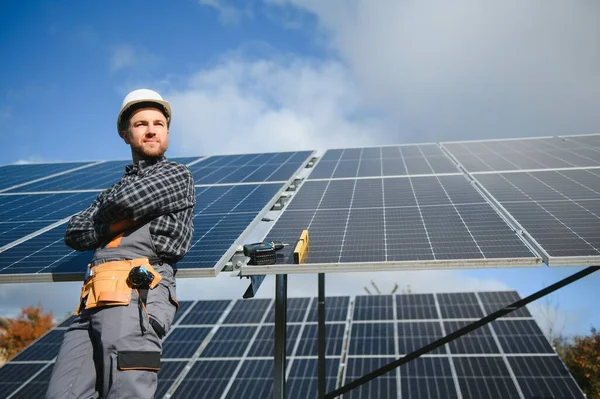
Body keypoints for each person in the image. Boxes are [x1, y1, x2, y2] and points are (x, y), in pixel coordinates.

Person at [46, 89, 196, 398]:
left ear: (167, 131)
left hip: (137, 294)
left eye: (159, 123)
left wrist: (105, 217)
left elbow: (127, 203)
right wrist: (113, 216)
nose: (152, 130)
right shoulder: (113, 189)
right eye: (141, 124)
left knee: (125, 392)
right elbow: (74, 233)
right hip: (91, 301)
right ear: (125, 134)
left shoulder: (176, 174)